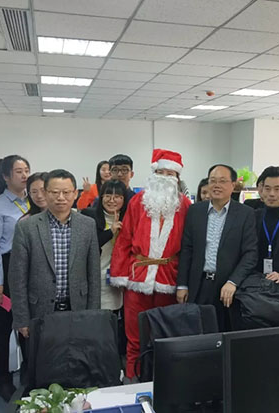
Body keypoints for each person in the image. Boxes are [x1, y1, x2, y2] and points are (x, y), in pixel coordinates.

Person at [110, 149, 191, 380]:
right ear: (153, 173)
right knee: (134, 333)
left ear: (177, 177)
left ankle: (166, 379)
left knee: (167, 332)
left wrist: (184, 283)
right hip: (138, 277)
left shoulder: (186, 205)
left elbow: (189, 247)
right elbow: (124, 240)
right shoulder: (138, 201)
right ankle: (133, 377)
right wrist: (120, 275)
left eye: (170, 173)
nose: (164, 177)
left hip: (170, 277)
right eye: (161, 172)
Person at [8, 169, 101, 340]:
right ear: (45, 193)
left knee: (77, 354)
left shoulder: (87, 225)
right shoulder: (26, 227)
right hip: (39, 311)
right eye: (55, 192)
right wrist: (21, 318)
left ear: (75, 194)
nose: (61, 197)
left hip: (78, 309)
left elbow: (94, 275)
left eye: (66, 192)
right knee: (42, 356)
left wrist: (93, 314)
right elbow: (17, 277)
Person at [177, 164, 257, 331]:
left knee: (223, 333)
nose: (216, 185)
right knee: (196, 333)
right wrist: (182, 285)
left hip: (227, 287)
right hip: (198, 285)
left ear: (233, 185)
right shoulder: (195, 211)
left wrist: (233, 281)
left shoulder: (246, 213)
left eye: (222, 181)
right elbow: (187, 250)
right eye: (213, 181)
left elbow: (250, 254)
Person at [0, 154, 30, 401]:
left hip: (30, 268)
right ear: (5, 177)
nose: (24, 175)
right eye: (18, 171)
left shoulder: (33, 200)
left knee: (28, 325)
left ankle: (29, 374)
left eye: (26, 170)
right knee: (3, 328)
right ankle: (3, 379)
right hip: (6, 268)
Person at [82, 180, 128, 310]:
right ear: (101, 197)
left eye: (117, 197)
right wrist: (110, 232)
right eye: (107, 196)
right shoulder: (88, 216)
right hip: (92, 276)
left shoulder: (128, 219)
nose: (111, 200)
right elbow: (87, 245)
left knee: (113, 312)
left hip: (116, 278)